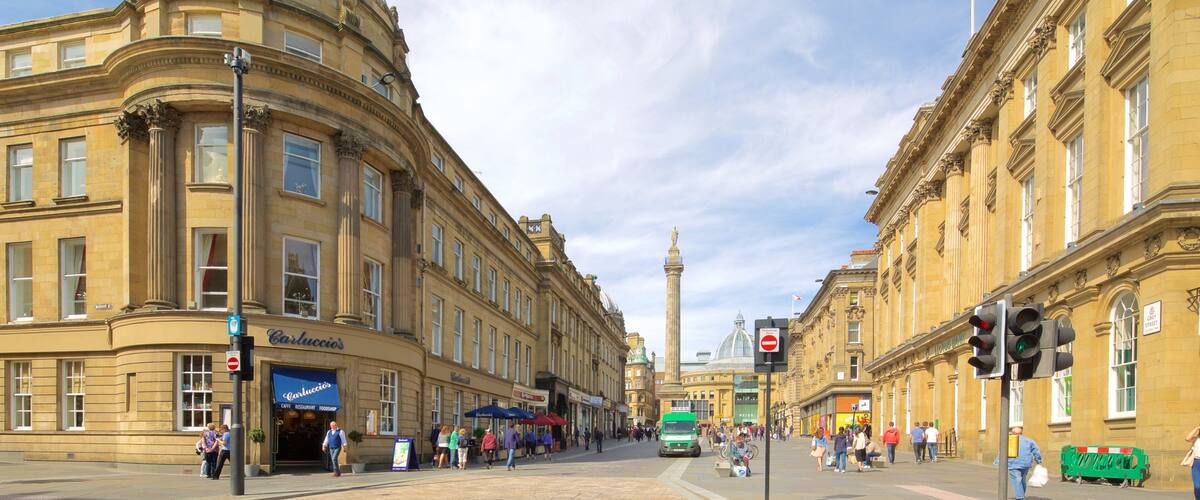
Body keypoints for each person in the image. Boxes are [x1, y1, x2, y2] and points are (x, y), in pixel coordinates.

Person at [998, 426, 1042, 500]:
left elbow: (1001, 451)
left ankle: (1020, 497)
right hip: (1026, 464)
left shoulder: (1008, 440)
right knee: (1022, 480)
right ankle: (1021, 495)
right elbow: (1036, 451)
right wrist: (1038, 460)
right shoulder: (1029, 440)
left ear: (1012, 433)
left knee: (1017, 479)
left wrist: (999, 461)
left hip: (1013, 463)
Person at [1185, 425, 1199, 499]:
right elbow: (1187, 438)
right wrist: (1197, 428)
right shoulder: (1196, 439)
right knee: (1197, 486)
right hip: (1197, 463)